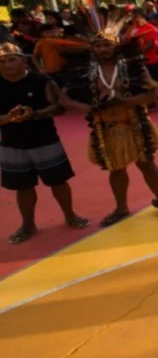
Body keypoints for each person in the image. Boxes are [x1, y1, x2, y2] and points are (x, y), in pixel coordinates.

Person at [59, 10, 158, 226]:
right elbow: (63, 100)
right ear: (92, 47)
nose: (103, 49)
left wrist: (125, 102)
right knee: (115, 169)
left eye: (107, 45)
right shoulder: (84, 72)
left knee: (147, 164)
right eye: (99, 45)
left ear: (116, 45)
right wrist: (90, 106)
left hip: (135, 122)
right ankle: (121, 208)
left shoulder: (132, 66)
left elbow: (153, 93)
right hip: (105, 126)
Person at [0, 43, 88, 244]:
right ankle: (28, 224)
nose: (7, 65)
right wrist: (8, 119)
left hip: (45, 140)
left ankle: (70, 215)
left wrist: (36, 114)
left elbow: (58, 107)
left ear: (23, 60)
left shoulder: (42, 82)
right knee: (23, 187)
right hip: (12, 144)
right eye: (2, 61)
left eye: (12, 59)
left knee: (58, 182)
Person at [124, 9, 158, 110]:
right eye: (132, 17)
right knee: (144, 84)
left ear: (140, 16)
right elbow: (125, 39)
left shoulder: (151, 28)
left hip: (152, 60)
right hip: (138, 61)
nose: (133, 19)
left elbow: (151, 43)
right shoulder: (132, 28)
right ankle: (150, 103)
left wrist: (139, 51)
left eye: (134, 17)